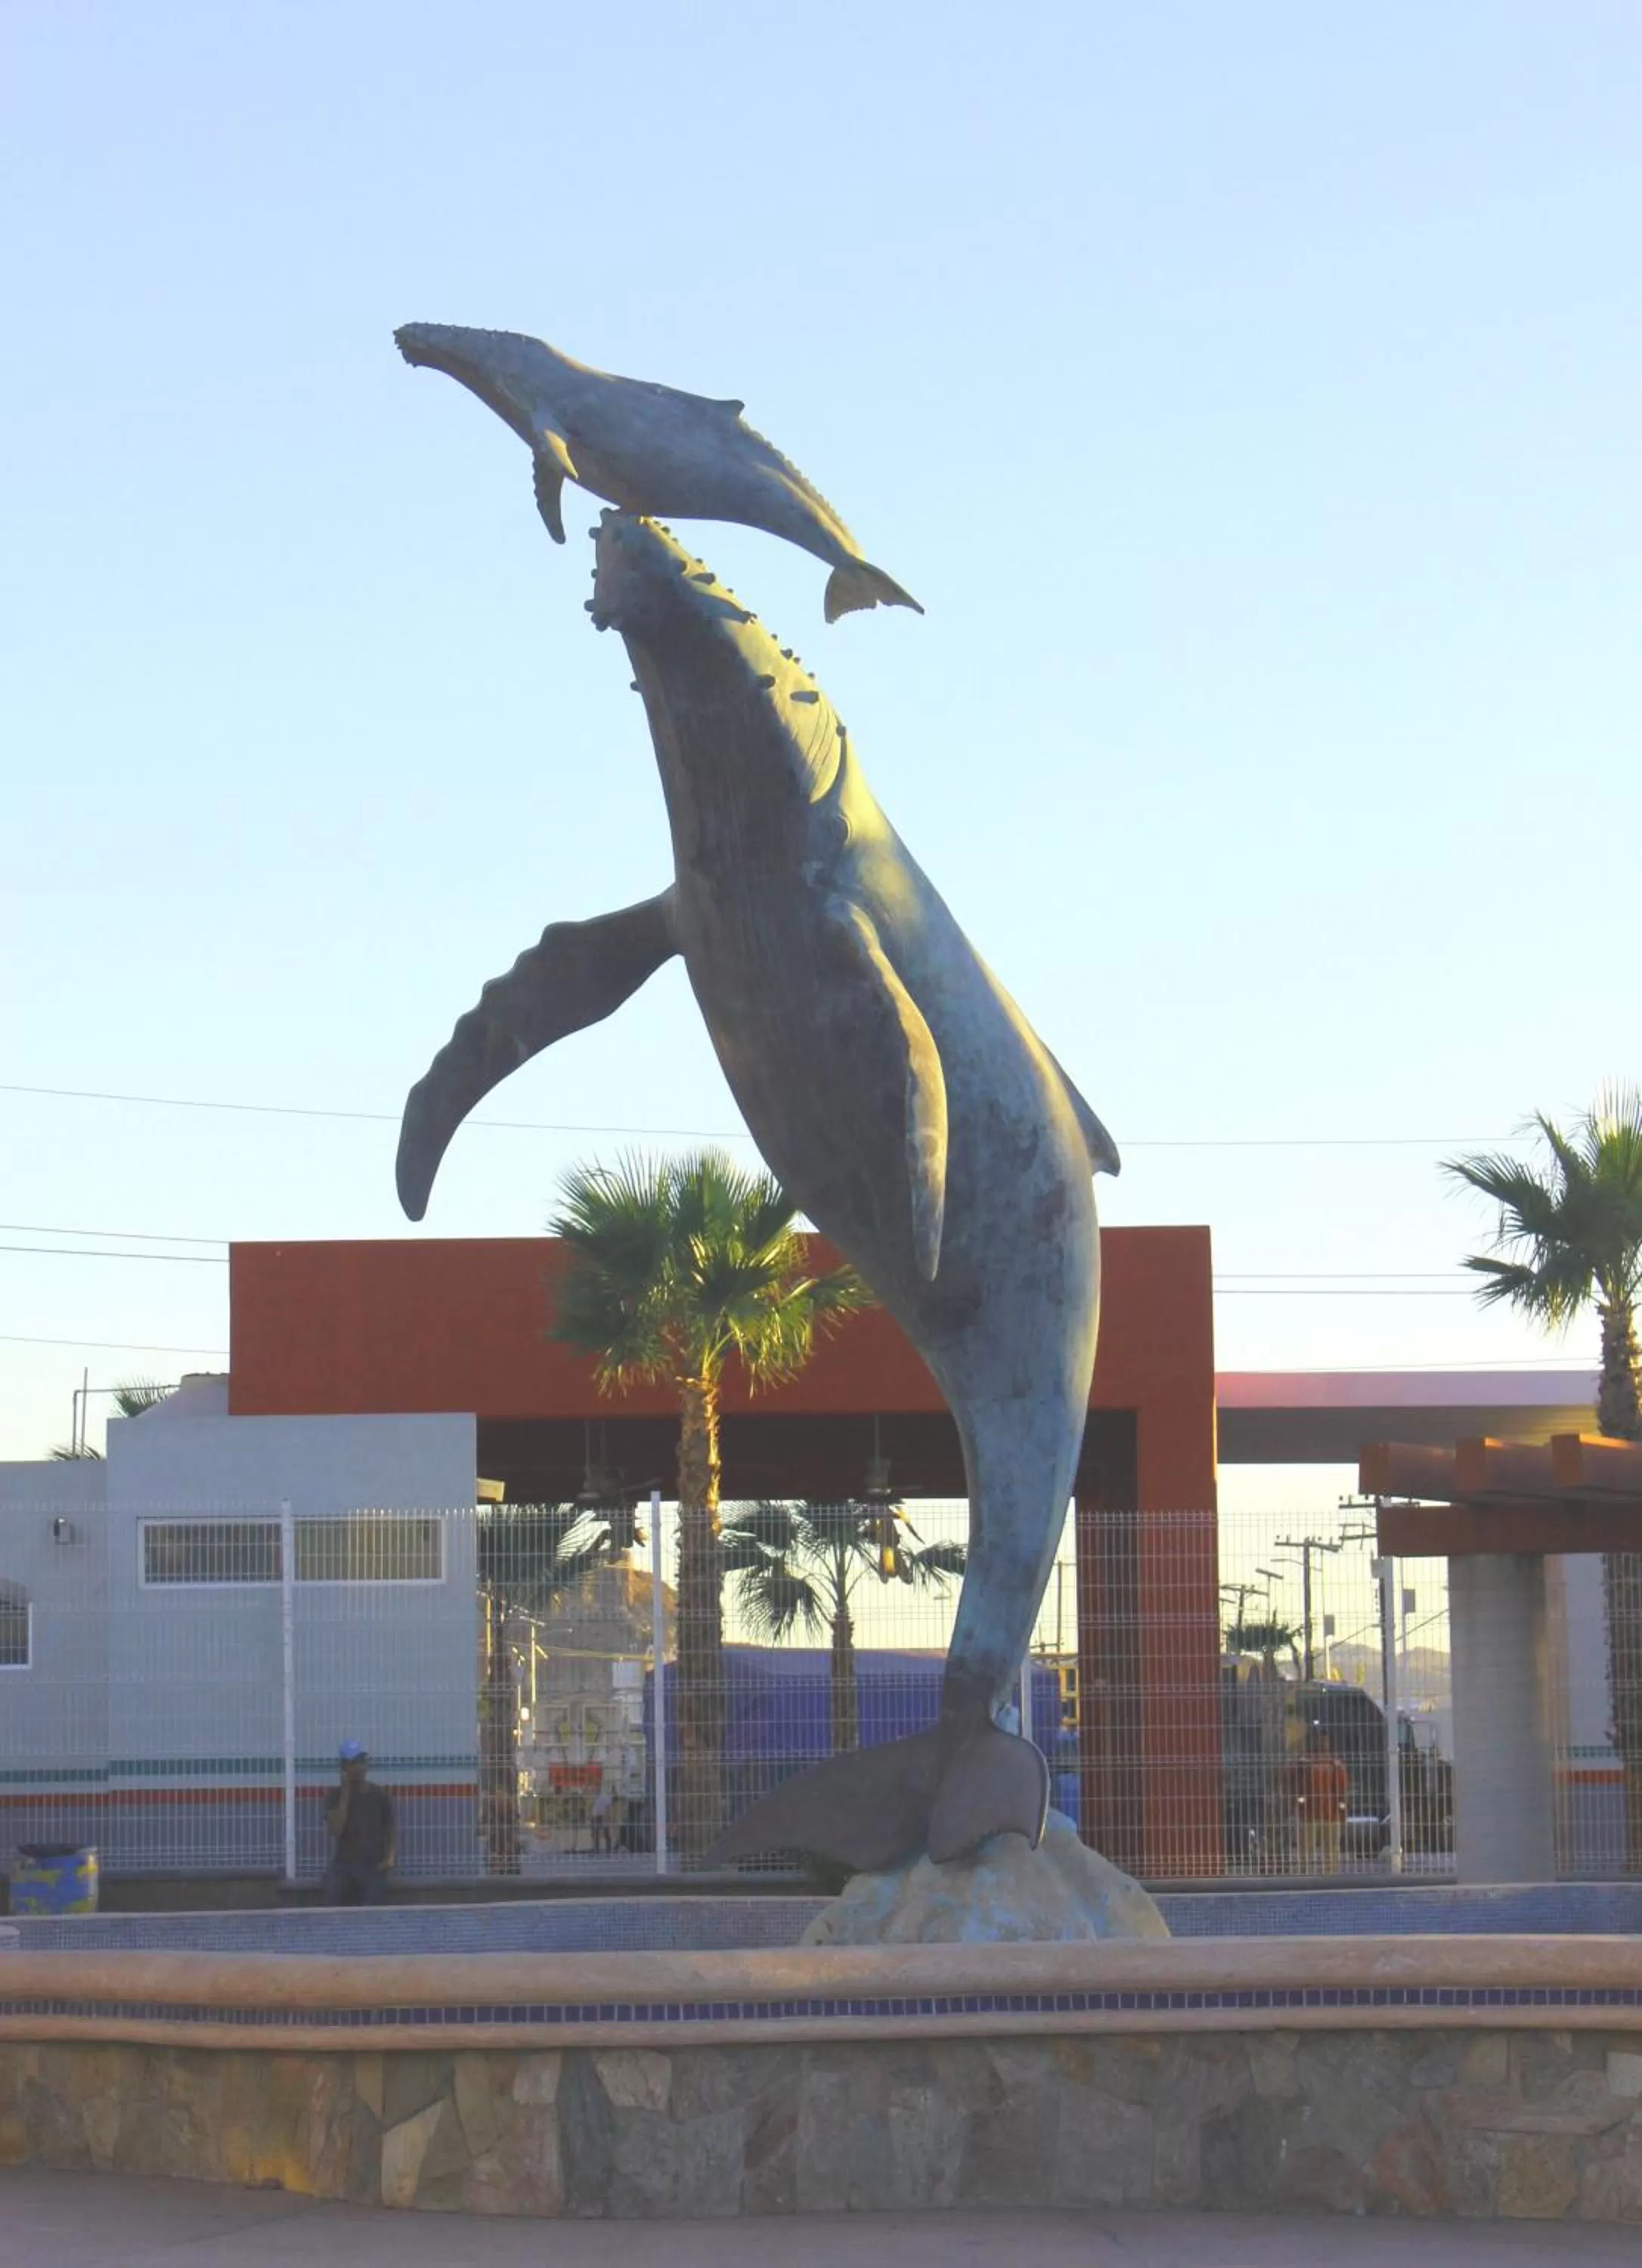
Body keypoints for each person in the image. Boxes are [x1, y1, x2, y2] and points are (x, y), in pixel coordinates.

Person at [322, 1740, 395, 1904]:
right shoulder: (334, 1796)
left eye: (362, 1762)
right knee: (331, 1893)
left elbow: (390, 1826)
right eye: (354, 1763)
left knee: (372, 1902)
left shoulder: (378, 1794)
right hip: (344, 1863)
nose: (360, 1767)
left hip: (373, 1864)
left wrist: (390, 1857)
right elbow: (336, 1829)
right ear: (345, 1767)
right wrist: (346, 1793)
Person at [1287, 1723, 1349, 1874]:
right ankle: (1307, 1873)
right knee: (1307, 1849)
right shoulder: (1306, 1762)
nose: (1322, 1742)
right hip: (1311, 1814)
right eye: (1319, 1738)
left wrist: (1342, 1808)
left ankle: (1328, 1874)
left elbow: (1343, 1788)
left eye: (1324, 1738)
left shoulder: (1334, 1763)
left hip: (1329, 1813)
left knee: (1330, 1848)